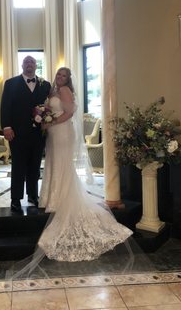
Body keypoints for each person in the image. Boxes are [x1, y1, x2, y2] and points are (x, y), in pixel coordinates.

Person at [37, 67, 133, 261]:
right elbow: (49, 109)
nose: (60, 78)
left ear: (68, 79)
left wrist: (51, 122)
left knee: (62, 163)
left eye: (64, 76)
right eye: (58, 75)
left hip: (62, 131)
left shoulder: (64, 91)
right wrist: (44, 118)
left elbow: (69, 113)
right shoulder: (52, 91)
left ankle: (58, 198)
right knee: (54, 163)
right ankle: (50, 197)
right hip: (53, 133)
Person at [0, 56, 51, 212]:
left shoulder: (45, 85)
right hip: (17, 133)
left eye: (32, 62)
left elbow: (49, 107)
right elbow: (5, 107)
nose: (29, 64)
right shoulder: (10, 83)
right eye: (26, 62)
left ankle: (33, 195)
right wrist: (6, 127)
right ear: (22, 65)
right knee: (18, 166)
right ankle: (15, 199)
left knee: (35, 166)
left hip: (38, 133)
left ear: (36, 66)